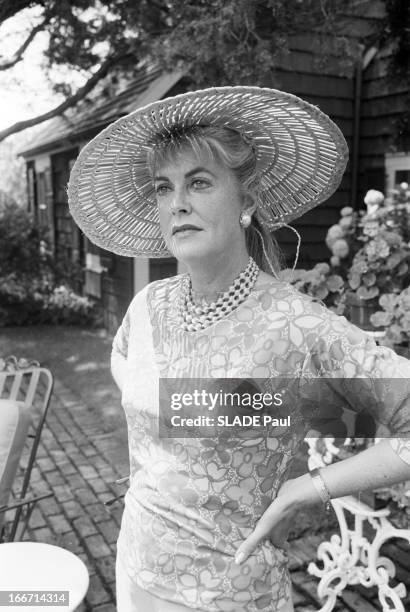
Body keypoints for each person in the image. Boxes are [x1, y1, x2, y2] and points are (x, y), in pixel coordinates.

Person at [67, 86, 410, 612]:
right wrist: (171, 411)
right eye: (164, 187)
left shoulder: (295, 327)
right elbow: (126, 363)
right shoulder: (147, 305)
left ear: (246, 202)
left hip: (229, 593)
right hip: (135, 568)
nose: (178, 201)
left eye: (199, 183)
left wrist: (308, 487)